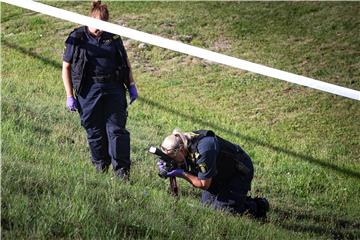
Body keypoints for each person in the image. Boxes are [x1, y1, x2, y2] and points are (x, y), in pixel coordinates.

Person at [61, 0, 138, 180]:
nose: (100, 30)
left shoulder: (113, 37)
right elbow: (66, 67)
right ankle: (100, 168)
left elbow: (125, 62)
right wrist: (69, 96)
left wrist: (132, 85)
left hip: (113, 88)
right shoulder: (77, 37)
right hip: (88, 90)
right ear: (91, 20)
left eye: (104, 26)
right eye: (97, 26)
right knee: (94, 131)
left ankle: (122, 174)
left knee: (117, 131)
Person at [157, 129, 269, 218]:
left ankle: (258, 206)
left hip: (238, 172)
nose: (173, 160)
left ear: (181, 149)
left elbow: (203, 184)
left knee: (224, 213)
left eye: (172, 157)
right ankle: (236, 199)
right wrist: (168, 164)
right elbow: (185, 162)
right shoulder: (184, 142)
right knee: (208, 208)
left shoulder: (204, 150)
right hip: (217, 173)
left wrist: (181, 173)